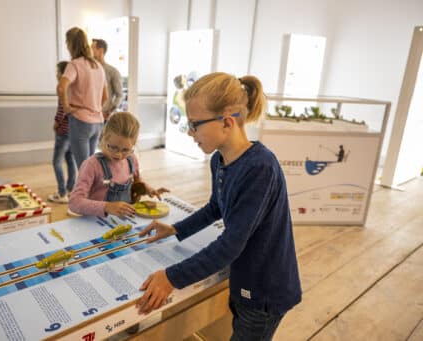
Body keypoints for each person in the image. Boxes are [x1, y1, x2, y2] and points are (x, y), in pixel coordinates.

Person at [135, 72, 302, 341]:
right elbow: (216, 207)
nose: (190, 133)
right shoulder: (219, 161)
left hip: (264, 291)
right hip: (242, 280)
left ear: (226, 121)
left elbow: (230, 245)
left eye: (195, 125)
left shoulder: (261, 167)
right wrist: (176, 228)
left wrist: (171, 278)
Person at [68, 111, 168, 217]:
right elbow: (74, 202)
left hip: (126, 220)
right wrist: (106, 207)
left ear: (133, 145)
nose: (118, 155)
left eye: (125, 150)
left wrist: (146, 188)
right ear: (105, 137)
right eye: (113, 147)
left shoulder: (132, 159)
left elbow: (137, 181)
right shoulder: (91, 165)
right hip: (97, 222)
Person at [58, 27, 108, 169]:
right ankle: (92, 191)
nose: (66, 46)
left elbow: (61, 87)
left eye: (67, 42)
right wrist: (94, 107)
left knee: (84, 170)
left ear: (71, 44)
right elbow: (105, 97)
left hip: (80, 122)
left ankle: (84, 192)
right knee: (90, 168)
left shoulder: (74, 65)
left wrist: (67, 107)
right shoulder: (98, 66)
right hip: (97, 122)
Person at [48, 61, 77, 204]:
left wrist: (56, 122)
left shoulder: (62, 87)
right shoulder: (73, 87)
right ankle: (71, 189)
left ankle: (61, 193)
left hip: (63, 131)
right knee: (70, 160)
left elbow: (62, 109)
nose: (56, 73)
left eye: (58, 71)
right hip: (72, 130)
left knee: (56, 162)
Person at [91, 38, 123, 121]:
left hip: (104, 118)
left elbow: (119, 95)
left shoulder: (113, 71)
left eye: (92, 48)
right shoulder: (88, 70)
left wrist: (109, 112)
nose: (89, 51)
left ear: (101, 51)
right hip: (89, 117)